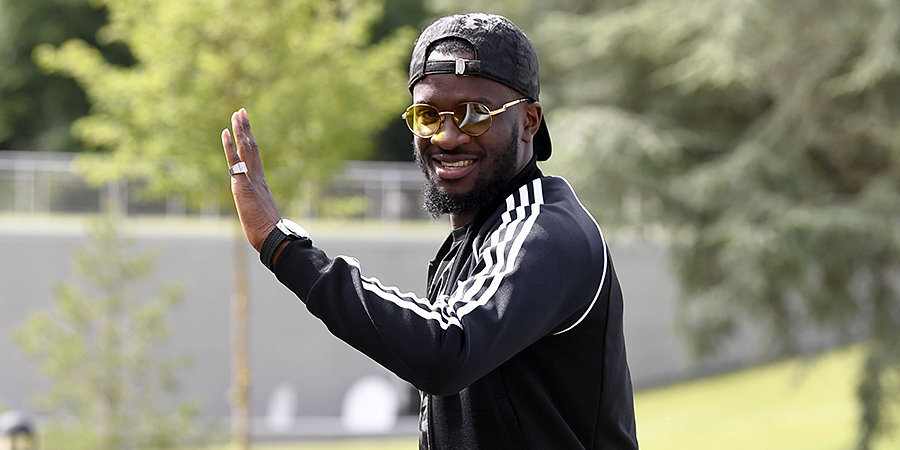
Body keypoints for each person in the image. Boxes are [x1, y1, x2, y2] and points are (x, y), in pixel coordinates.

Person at [220, 13, 638, 449]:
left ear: (529, 121)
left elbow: (448, 349)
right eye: (428, 115)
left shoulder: (544, 231)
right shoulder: (472, 240)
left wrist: (283, 247)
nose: (447, 137)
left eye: (475, 114)